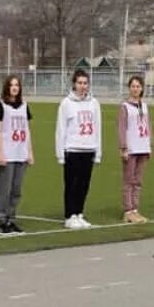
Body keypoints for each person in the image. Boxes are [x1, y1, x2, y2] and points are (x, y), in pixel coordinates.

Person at [56, 68, 101, 229]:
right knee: (71, 184)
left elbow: (97, 127)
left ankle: (79, 213)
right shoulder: (66, 104)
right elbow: (61, 129)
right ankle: (70, 215)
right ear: (74, 84)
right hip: (72, 149)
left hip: (88, 148)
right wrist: (60, 154)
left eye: (85, 83)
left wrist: (98, 152)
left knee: (84, 184)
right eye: (79, 83)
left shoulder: (94, 103)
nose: (82, 86)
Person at [0, 74, 32, 235]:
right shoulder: (0, 105)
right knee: (4, 189)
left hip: (20, 153)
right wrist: (0, 153)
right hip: (7, 154)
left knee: (16, 190)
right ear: (7, 87)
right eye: (11, 85)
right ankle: (1, 220)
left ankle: (11, 218)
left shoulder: (24, 106)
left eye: (17, 85)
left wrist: (30, 152)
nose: (14, 87)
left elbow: (27, 130)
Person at [117, 75, 151, 224]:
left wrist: (150, 144)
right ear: (129, 88)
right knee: (129, 180)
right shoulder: (125, 107)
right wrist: (123, 147)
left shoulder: (144, 106)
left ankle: (135, 209)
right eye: (133, 86)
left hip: (143, 147)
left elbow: (148, 126)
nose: (135, 89)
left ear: (142, 88)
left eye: (138, 86)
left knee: (138, 181)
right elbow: (122, 128)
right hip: (131, 148)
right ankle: (128, 210)